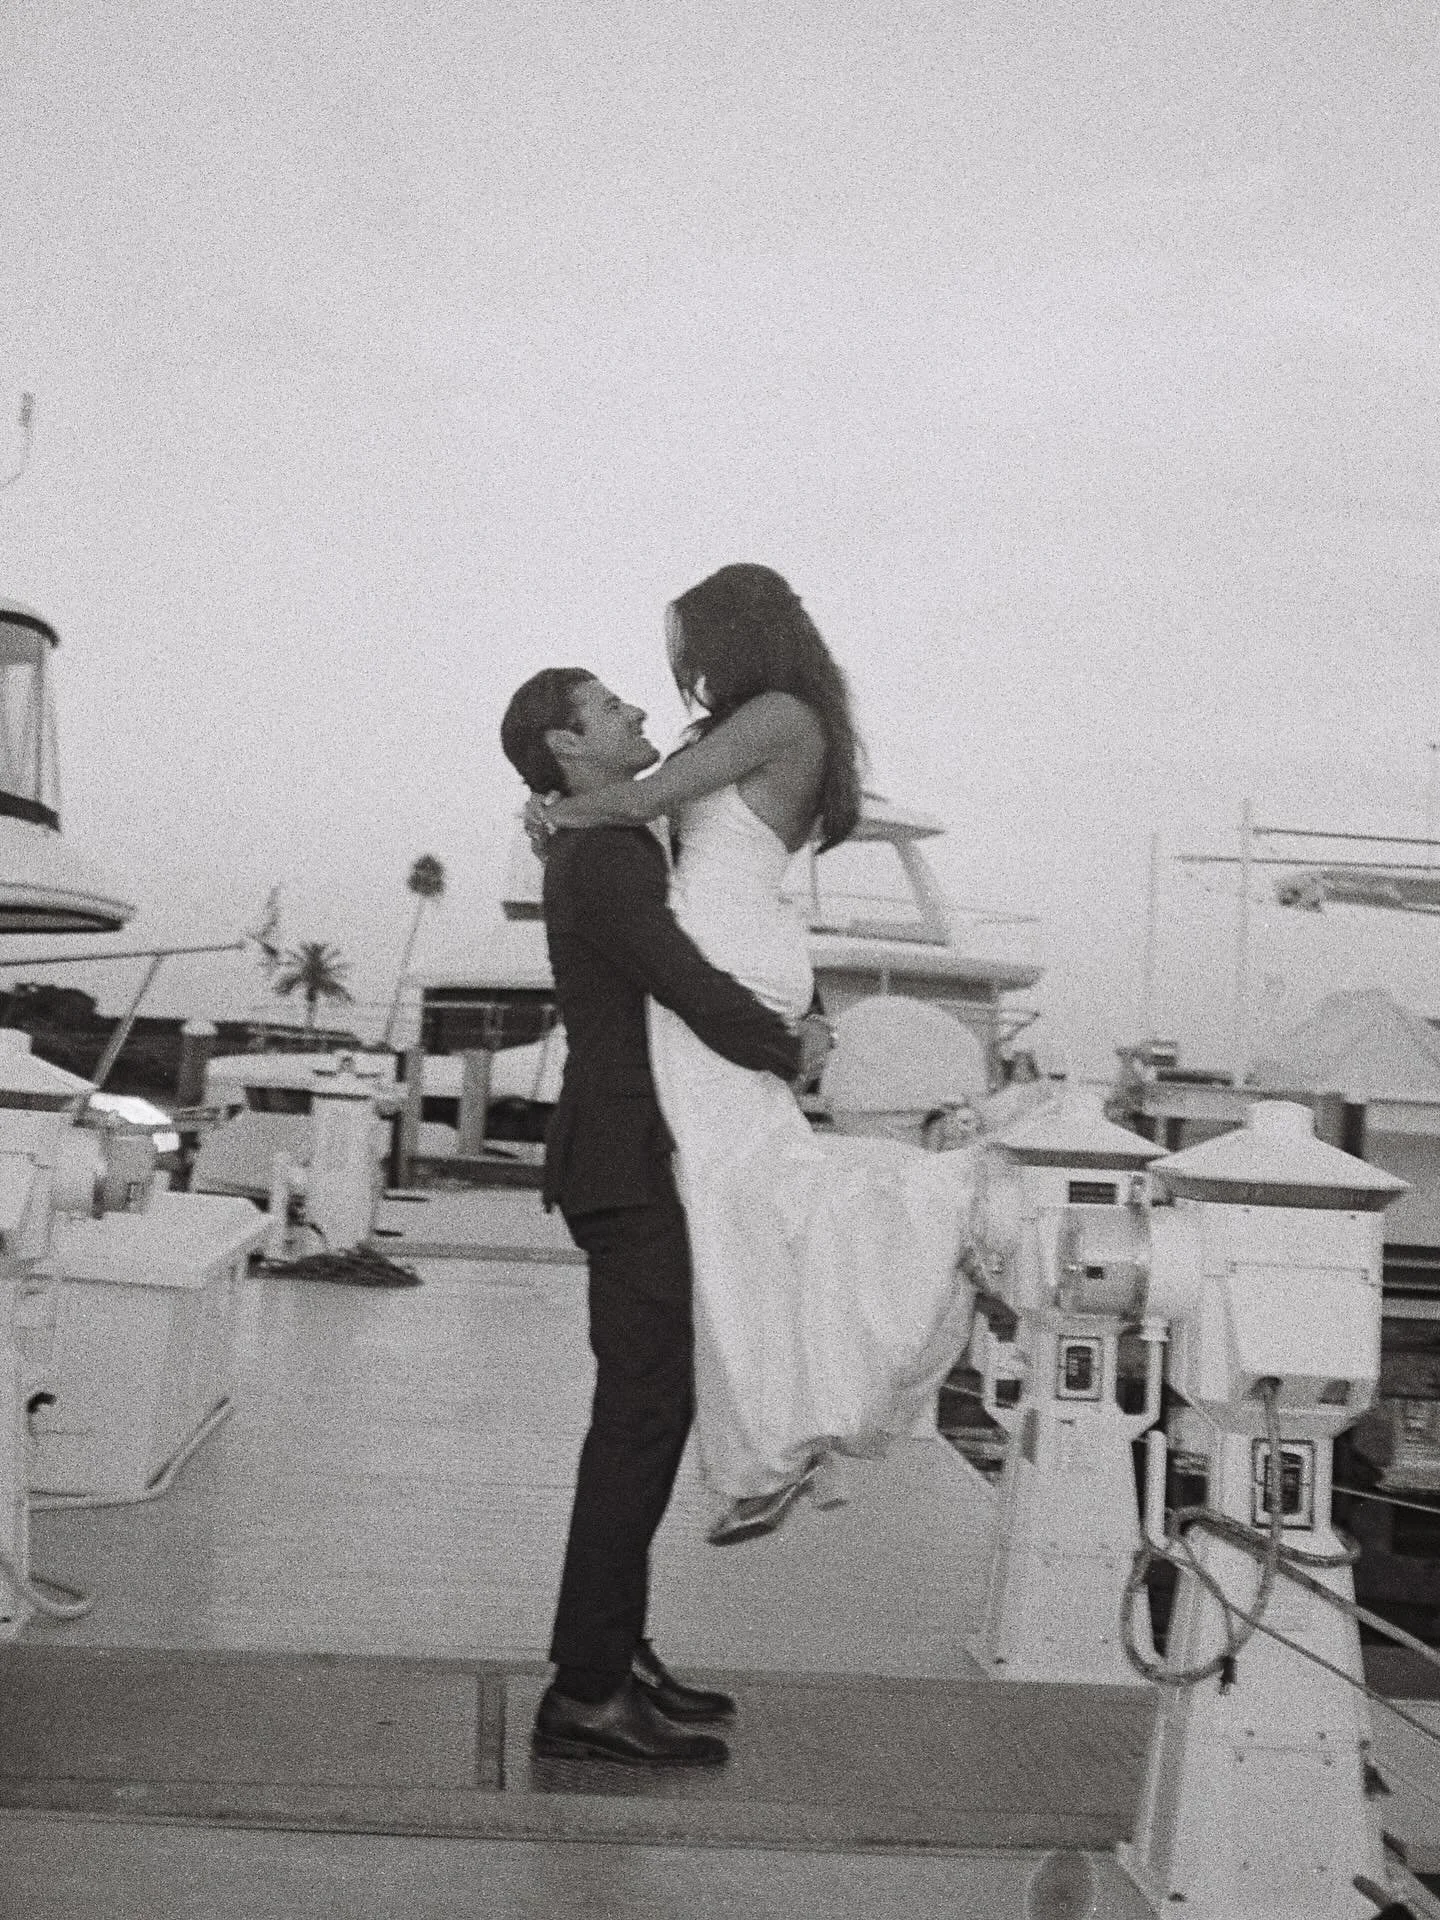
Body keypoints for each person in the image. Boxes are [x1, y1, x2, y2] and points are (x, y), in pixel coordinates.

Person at [528, 565, 979, 1545]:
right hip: (745, 945)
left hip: (724, 956)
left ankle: (786, 1431)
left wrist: (556, 810)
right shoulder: (779, 720)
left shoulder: (780, 714)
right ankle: (772, 1443)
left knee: (741, 1198)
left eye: (692, 646)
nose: (681, 670)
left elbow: (651, 796)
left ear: (737, 637)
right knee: (741, 1199)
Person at [500, 666, 833, 1769]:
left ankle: (612, 1653)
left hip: (634, 1158)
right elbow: (680, 979)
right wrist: (790, 1049)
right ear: (566, 745)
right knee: (638, 1424)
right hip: (628, 1163)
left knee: (646, 1418)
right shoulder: (602, 857)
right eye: (610, 710)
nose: (639, 713)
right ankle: (585, 1693)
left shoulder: (613, 842)